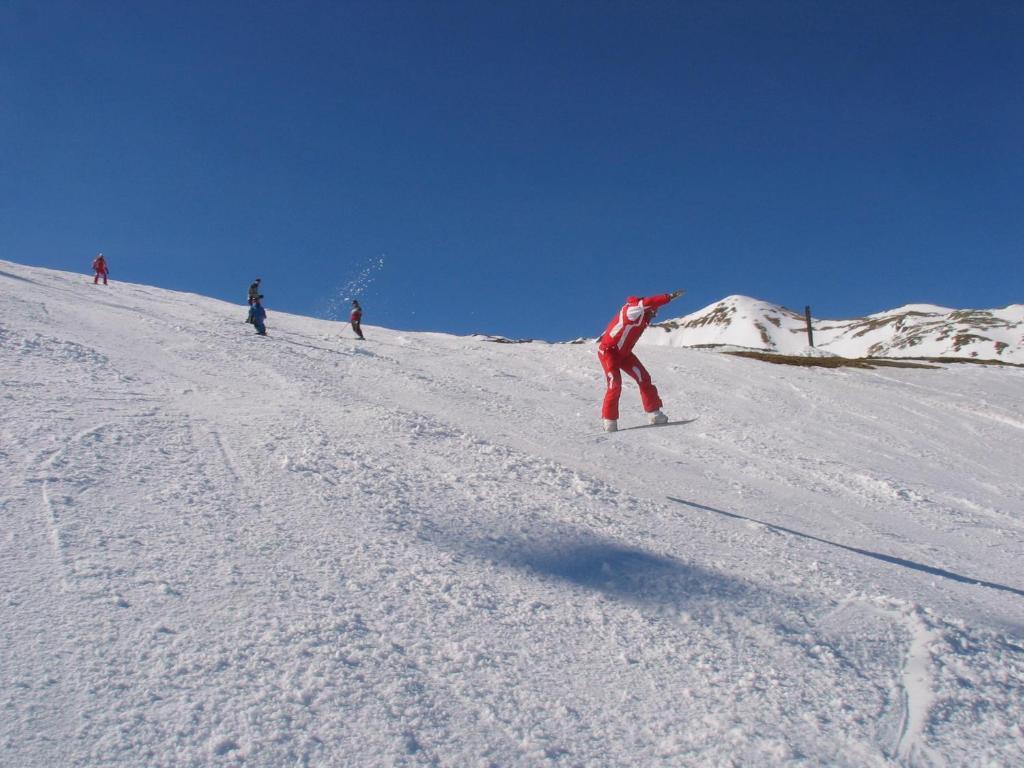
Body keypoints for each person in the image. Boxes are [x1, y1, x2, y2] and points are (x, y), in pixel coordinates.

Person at [597, 290, 685, 432]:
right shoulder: (632, 309)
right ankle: (609, 420)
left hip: (624, 354)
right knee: (615, 383)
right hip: (609, 351)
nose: (653, 315)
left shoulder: (642, 317)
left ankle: (654, 414)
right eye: (653, 312)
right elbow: (648, 302)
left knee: (644, 378)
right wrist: (668, 297)